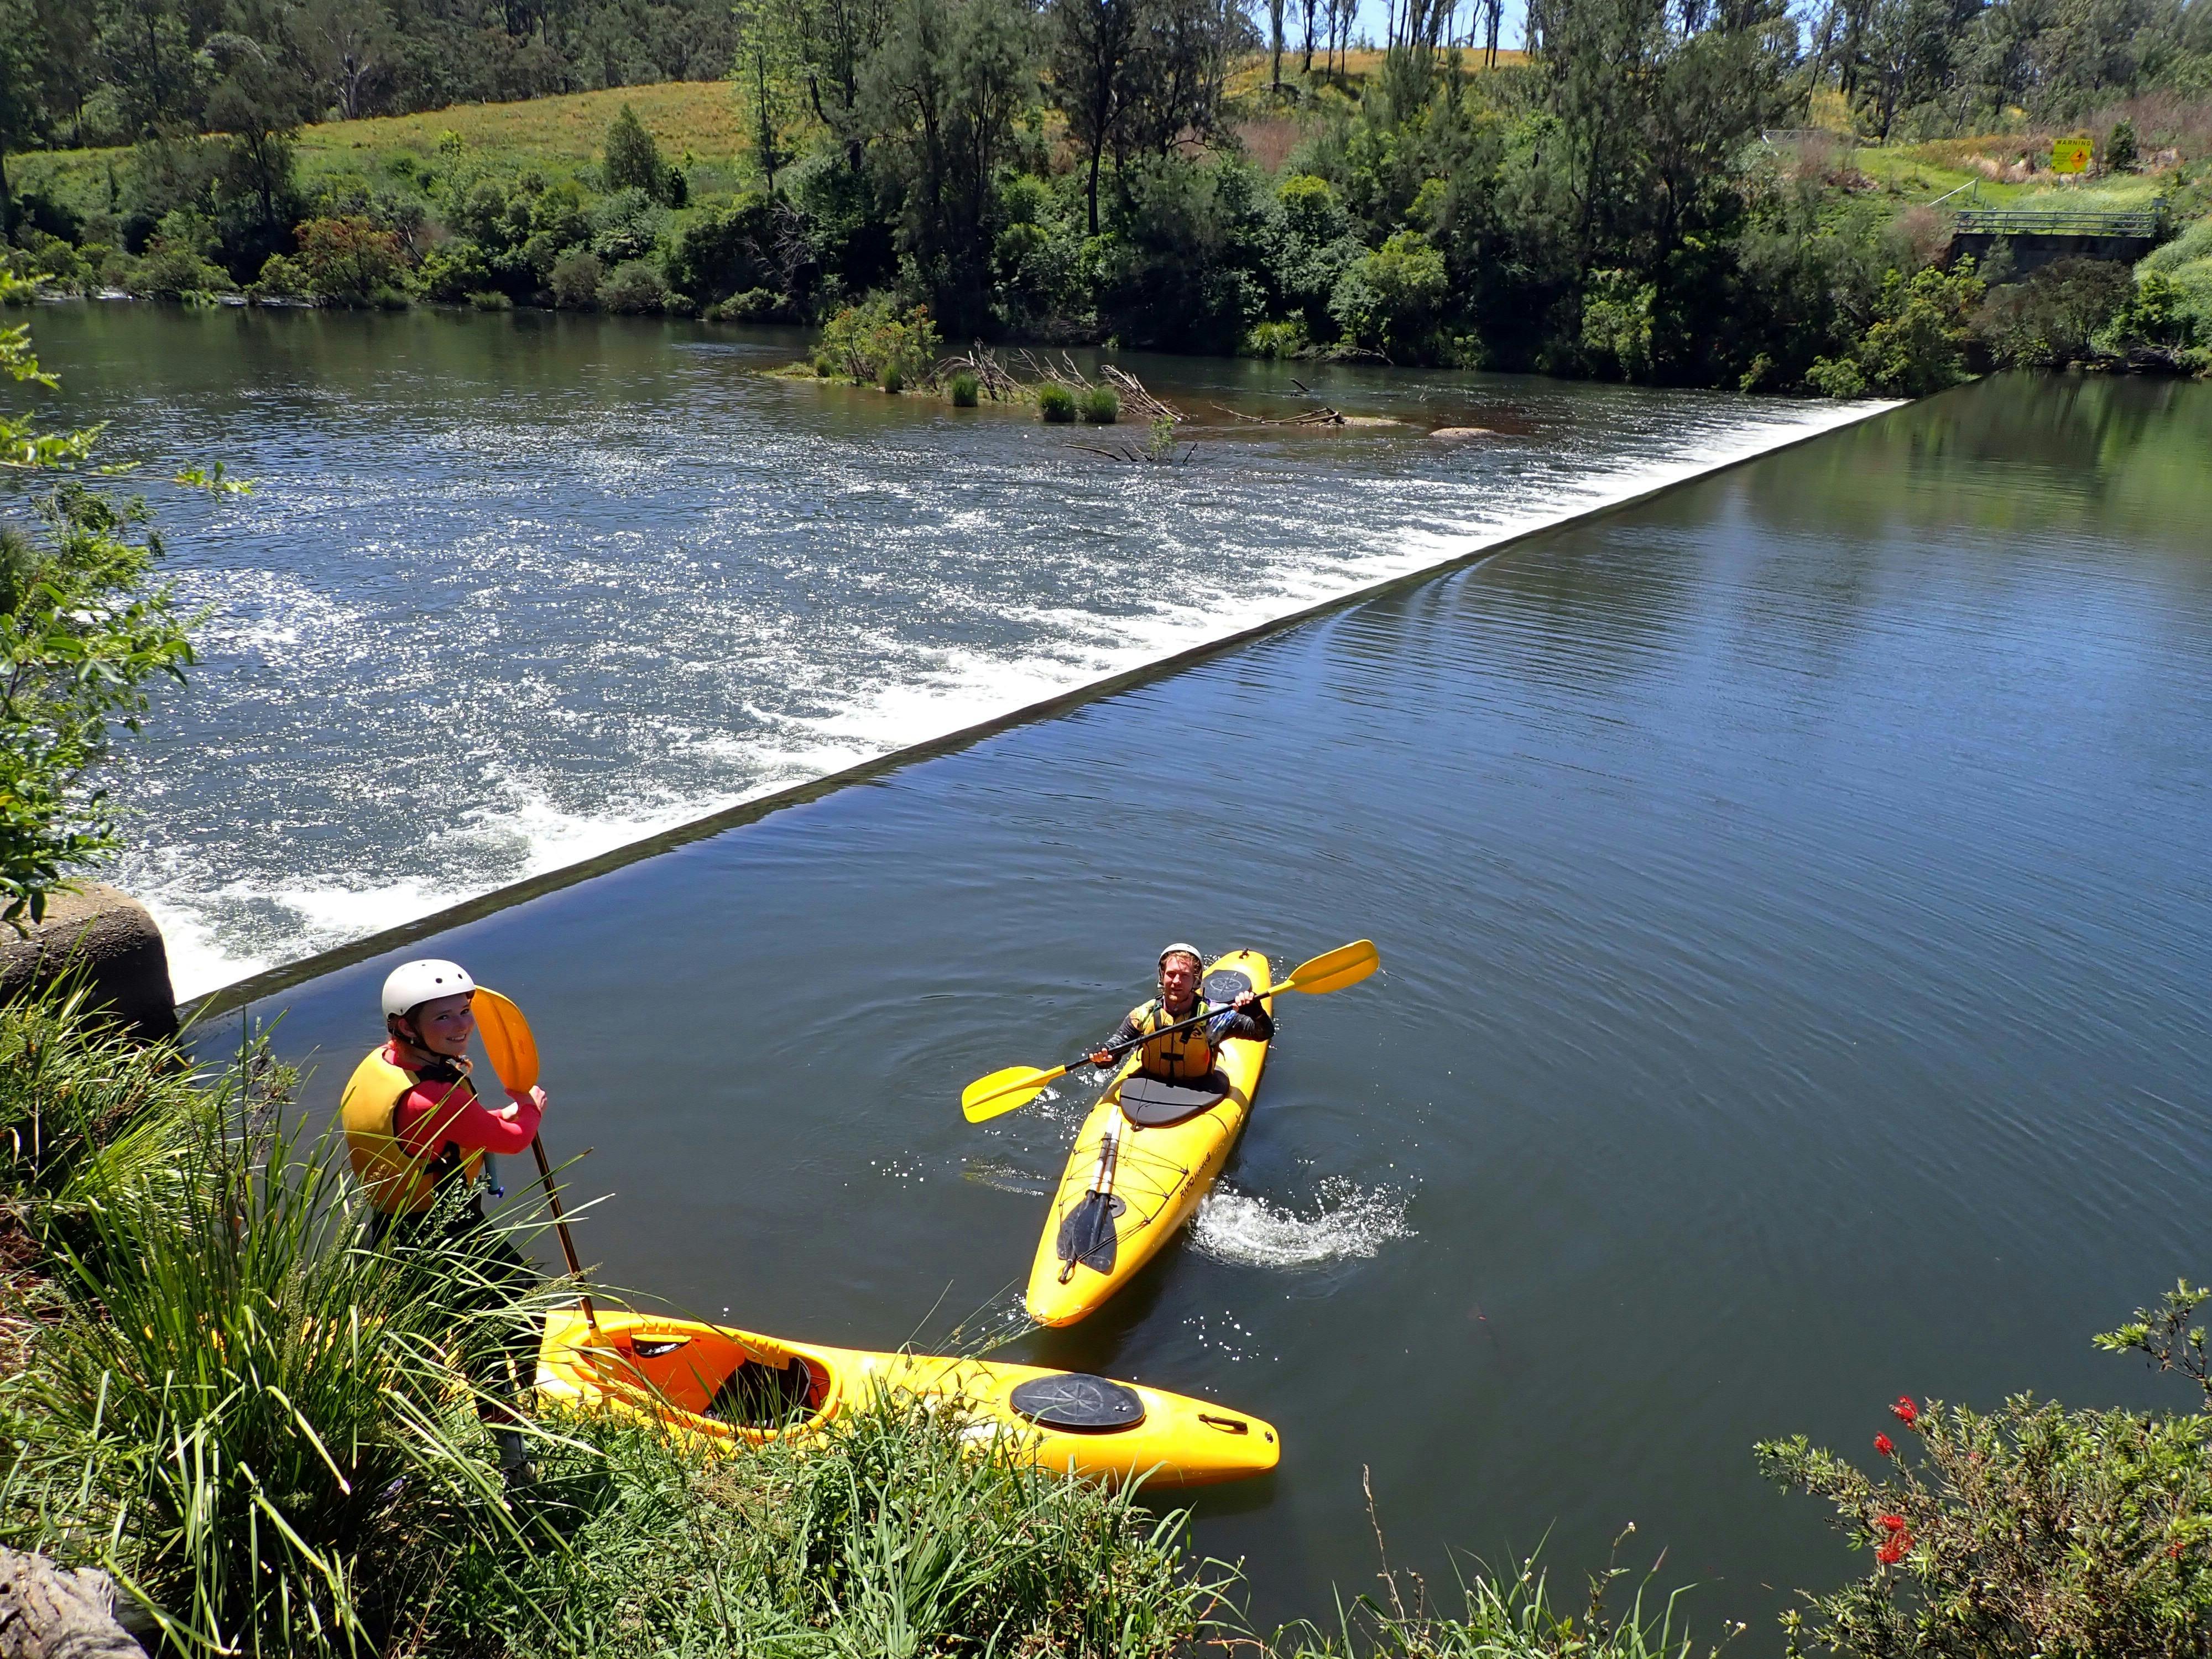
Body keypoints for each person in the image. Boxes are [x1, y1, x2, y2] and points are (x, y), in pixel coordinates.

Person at [340, 958, 546, 1483]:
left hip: (392, 1230)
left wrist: (485, 1119)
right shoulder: (434, 1095)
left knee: (426, 1347)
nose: (462, 1027)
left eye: (464, 1012)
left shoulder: (383, 1067)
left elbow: (447, 1130)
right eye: (444, 1019)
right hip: (446, 1235)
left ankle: (403, 1460)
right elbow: (513, 1139)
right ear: (406, 1026)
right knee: (504, 1332)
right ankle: (515, 1463)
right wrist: (528, 1107)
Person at [1091, 942, 1273, 1086]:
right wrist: (1103, 1057)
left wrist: (1255, 1012)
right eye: (1171, 974)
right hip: (1150, 1081)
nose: (1176, 982)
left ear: (1196, 980)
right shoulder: (1144, 1014)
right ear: (1162, 977)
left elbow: (1263, 1033)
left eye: (1184, 976)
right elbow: (1115, 1049)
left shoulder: (1214, 1017)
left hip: (1200, 1087)